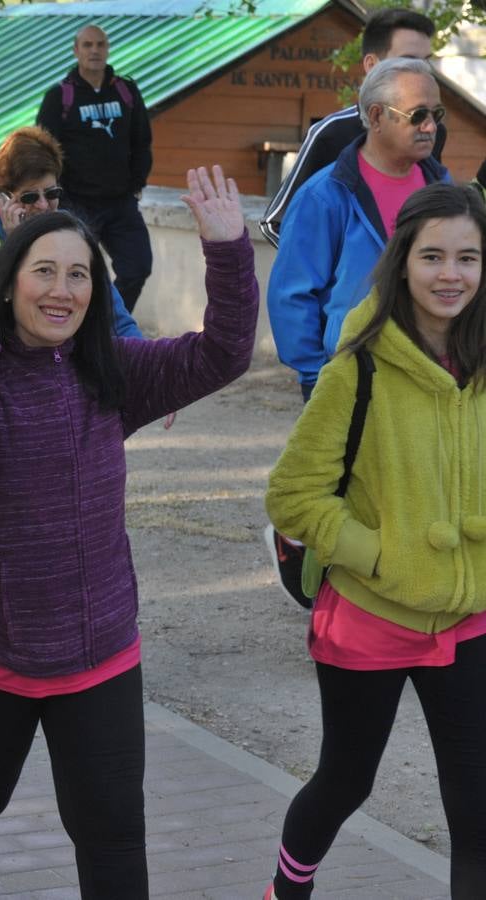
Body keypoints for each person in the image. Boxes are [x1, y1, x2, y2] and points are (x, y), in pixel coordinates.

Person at [0, 166, 257, 899]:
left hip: (97, 653)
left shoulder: (113, 371)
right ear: (8, 282)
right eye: (44, 272)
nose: (62, 289)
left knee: (112, 834)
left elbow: (222, 355)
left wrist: (228, 250)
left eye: (79, 275)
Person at [263, 182, 486, 900]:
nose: (450, 274)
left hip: (469, 616)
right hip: (372, 617)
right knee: (346, 780)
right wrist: (377, 554)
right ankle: (287, 890)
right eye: (433, 257)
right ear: (403, 261)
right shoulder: (359, 361)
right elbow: (292, 495)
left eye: (468, 258)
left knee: (477, 807)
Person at [267, 57, 449, 400]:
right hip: (349, 377)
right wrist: (317, 375)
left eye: (436, 114)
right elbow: (291, 294)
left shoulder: (444, 190)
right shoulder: (324, 196)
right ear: (377, 116)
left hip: (432, 372)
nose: (430, 127)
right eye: (418, 115)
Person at [260, 8, 441, 248]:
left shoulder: (434, 131)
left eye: (426, 61)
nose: (422, 72)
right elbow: (275, 223)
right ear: (371, 64)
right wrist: (326, 277)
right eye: (408, 61)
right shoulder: (332, 133)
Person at [0, 126, 141, 337]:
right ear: (3, 199)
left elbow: (118, 320)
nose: (43, 205)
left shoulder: (75, 236)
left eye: (52, 193)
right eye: (30, 197)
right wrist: (16, 247)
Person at [36, 24, 154, 312]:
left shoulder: (126, 91)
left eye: (100, 44)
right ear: (76, 51)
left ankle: (111, 325)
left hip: (120, 203)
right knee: (75, 273)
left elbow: (142, 141)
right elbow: (43, 152)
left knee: (138, 267)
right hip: (76, 204)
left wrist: (136, 183)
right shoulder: (59, 97)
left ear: (107, 48)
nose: (95, 50)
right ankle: (80, 330)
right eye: (87, 45)